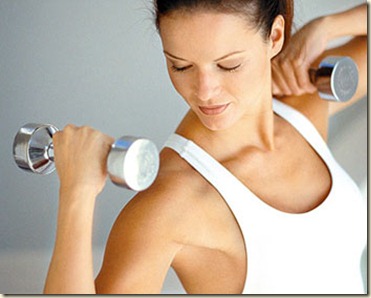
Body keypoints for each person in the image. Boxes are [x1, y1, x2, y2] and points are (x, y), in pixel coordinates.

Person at [43, 0, 367, 294]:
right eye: (180, 66)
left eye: (229, 65)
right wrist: (77, 193)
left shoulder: (303, 103)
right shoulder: (171, 201)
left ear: (276, 36)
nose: (205, 91)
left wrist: (327, 26)